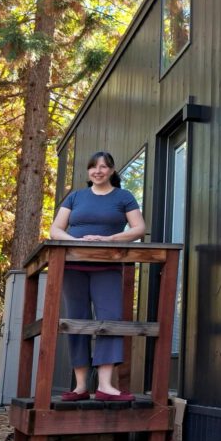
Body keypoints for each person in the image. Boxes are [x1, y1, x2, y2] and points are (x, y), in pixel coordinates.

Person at [49, 151, 146, 401]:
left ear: (112, 170)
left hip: (109, 266)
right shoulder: (76, 196)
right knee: (77, 320)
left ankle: (105, 386)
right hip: (73, 265)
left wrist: (108, 239)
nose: (98, 171)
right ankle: (81, 387)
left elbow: (139, 228)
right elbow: (55, 229)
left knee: (110, 320)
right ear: (88, 171)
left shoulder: (123, 197)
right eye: (93, 167)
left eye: (103, 167)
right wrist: (77, 242)